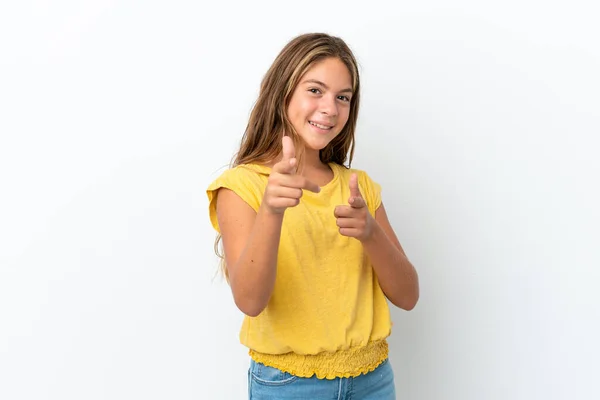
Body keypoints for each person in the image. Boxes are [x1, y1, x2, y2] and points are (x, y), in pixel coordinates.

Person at [206, 32, 419, 399]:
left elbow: (408, 295)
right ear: (282, 92)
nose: (330, 108)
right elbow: (250, 300)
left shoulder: (359, 187)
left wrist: (370, 232)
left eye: (343, 97)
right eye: (315, 90)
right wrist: (272, 211)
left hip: (373, 381)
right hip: (289, 386)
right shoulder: (242, 186)